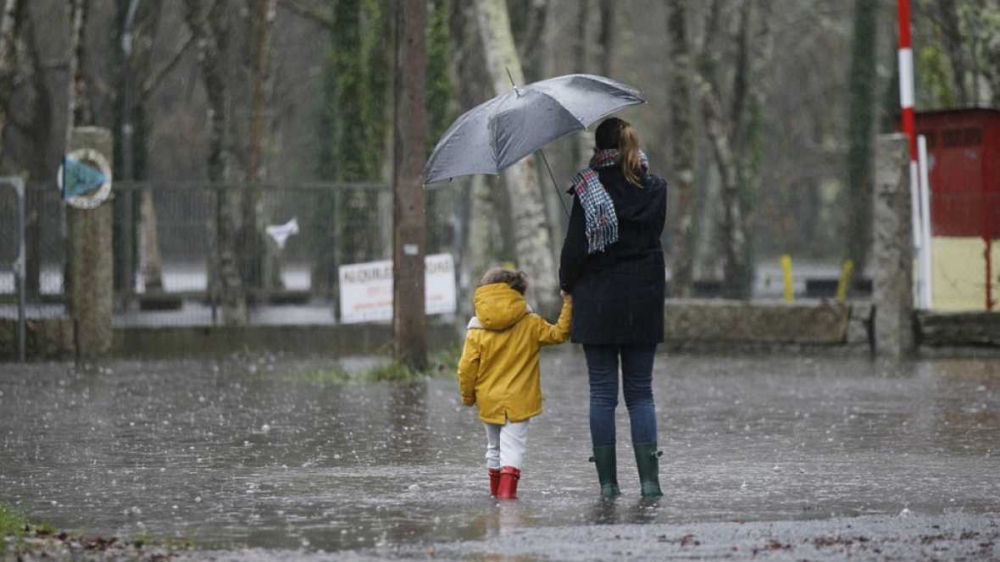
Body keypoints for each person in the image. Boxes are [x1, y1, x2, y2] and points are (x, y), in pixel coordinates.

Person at [559, 117, 667, 498]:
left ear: (598, 147)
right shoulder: (655, 188)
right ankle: (650, 483)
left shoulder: (588, 190)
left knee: (603, 394)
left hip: (599, 303)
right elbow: (650, 237)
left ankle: (607, 485)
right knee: (641, 393)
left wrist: (565, 283)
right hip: (644, 300)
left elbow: (575, 252)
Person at [457, 267, 573, 499]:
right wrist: (568, 303)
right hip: (519, 399)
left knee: (494, 448)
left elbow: (467, 367)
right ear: (518, 293)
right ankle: (507, 498)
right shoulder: (530, 323)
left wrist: (468, 396)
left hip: (488, 399)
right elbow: (559, 334)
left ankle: (495, 496)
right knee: (513, 448)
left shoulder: (476, 328)